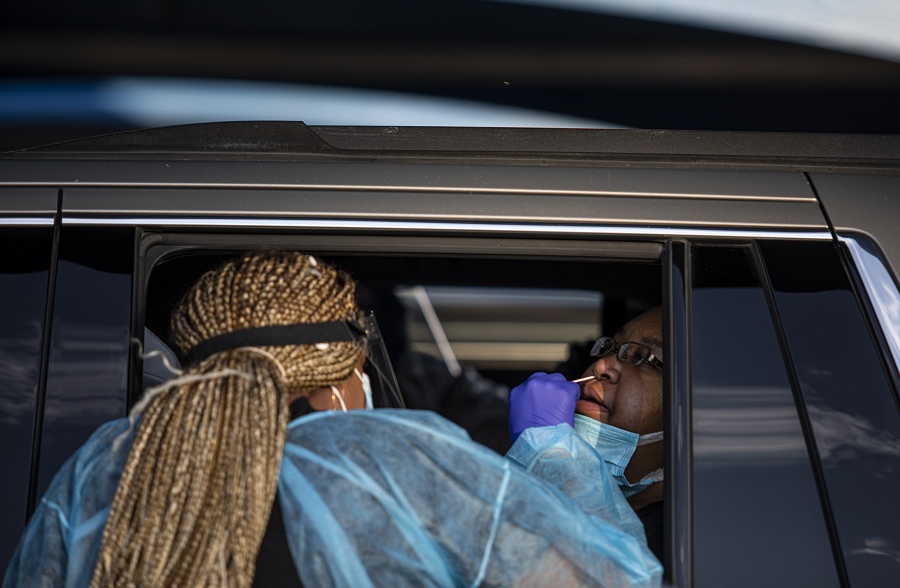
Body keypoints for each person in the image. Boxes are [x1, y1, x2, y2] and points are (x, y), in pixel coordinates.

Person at [3, 252, 661, 588]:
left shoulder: (106, 466)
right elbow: (607, 580)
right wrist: (550, 452)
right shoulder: (389, 461)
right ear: (340, 379)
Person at [507, 306, 665, 561]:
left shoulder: (683, 545)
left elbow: (596, 571)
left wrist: (549, 452)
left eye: (642, 358)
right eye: (612, 347)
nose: (600, 366)